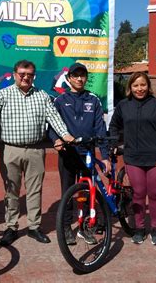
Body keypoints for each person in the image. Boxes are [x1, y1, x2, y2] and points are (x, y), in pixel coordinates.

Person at [0, 60, 75, 246]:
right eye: (22, 74)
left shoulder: (42, 96)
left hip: (35, 150)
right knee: (11, 191)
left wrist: (65, 135)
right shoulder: (4, 94)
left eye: (29, 74)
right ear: (15, 74)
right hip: (10, 150)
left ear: (33, 76)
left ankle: (34, 227)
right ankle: (11, 227)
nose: (26, 77)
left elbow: (54, 117)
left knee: (35, 190)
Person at [49, 63, 111, 245]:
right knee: (68, 192)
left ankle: (84, 227)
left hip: (88, 155)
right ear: (68, 79)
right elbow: (51, 125)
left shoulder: (94, 100)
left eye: (82, 75)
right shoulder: (59, 100)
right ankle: (67, 227)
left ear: (86, 78)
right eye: (75, 76)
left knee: (87, 191)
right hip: (68, 154)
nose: (79, 79)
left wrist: (105, 156)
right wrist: (55, 140)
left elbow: (101, 129)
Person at [109, 72, 156, 246]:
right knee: (138, 194)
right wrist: (114, 143)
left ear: (148, 86)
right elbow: (114, 126)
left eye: (143, 85)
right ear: (130, 87)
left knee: (155, 194)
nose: (139, 89)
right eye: (135, 85)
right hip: (133, 158)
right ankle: (139, 228)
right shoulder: (123, 105)